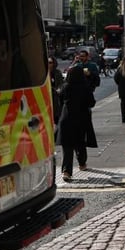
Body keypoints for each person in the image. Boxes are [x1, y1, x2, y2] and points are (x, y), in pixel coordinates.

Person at [58, 51, 98, 182]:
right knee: (80, 143)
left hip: (67, 118)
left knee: (67, 146)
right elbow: (91, 103)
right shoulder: (85, 87)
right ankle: (82, 164)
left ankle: (66, 171)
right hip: (81, 118)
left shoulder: (66, 87)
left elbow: (59, 100)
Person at [48, 56, 64, 125]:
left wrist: (59, 90)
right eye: (48, 63)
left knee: (57, 117)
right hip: (48, 97)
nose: (49, 64)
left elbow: (61, 84)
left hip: (56, 97)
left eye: (50, 63)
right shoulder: (44, 74)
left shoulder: (57, 73)